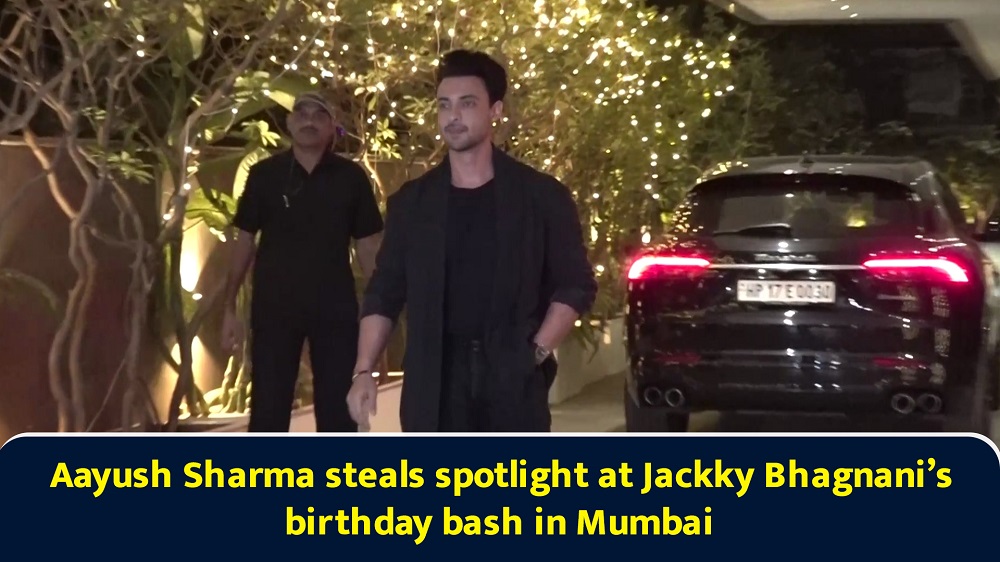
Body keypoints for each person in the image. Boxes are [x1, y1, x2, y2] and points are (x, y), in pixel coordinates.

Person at [346, 50, 597, 432]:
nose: (453, 116)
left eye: (467, 103)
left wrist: (534, 353)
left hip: (512, 376)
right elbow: (385, 291)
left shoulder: (541, 197)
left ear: (495, 110)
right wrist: (363, 370)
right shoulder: (413, 203)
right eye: (444, 105)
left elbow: (576, 284)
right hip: (434, 381)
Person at [221, 92, 384, 432]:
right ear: (290, 122)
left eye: (319, 115)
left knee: (338, 411)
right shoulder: (264, 175)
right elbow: (244, 240)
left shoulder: (351, 178)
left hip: (335, 308)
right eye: (302, 113)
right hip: (274, 307)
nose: (309, 121)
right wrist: (229, 307)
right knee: (268, 408)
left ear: (332, 127)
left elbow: (368, 246)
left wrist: (379, 311)